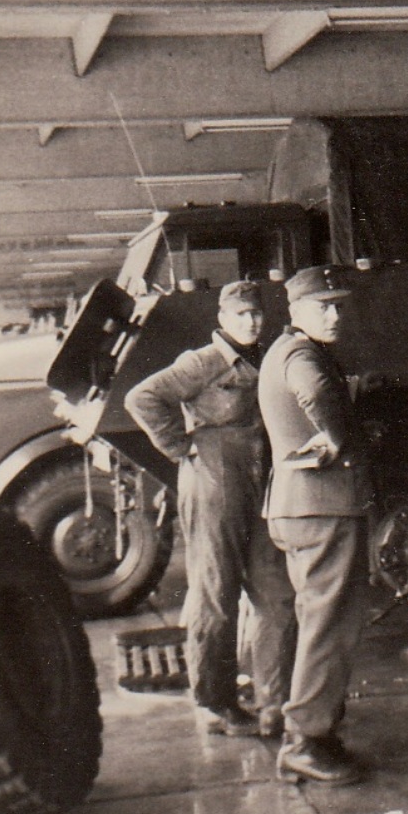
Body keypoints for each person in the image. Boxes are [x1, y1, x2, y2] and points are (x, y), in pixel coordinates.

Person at [125, 280, 295, 738]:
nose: (251, 322)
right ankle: (214, 703)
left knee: (277, 593)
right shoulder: (202, 362)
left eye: (256, 314)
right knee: (216, 594)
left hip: (258, 484)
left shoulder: (265, 357)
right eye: (241, 315)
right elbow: (142, 397)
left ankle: (275, 704)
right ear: (222, 320)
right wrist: (181, 447)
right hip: (214, 485)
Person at [257, 264, 375, 785]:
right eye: (322, 307)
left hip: (298, 507)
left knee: (317, 620)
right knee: (330, 625)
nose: (333, 315)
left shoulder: (284, 350)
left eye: (337, 306)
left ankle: (312, 731)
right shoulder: (302, 356)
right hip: (323, 507)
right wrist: (337, 436)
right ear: (295, 310)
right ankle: (305, 740)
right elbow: (315, 392)